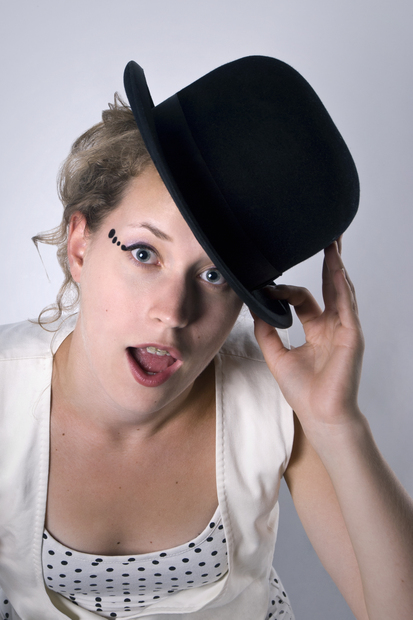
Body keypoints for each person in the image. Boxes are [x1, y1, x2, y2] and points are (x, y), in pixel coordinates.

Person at [0, 56, 412, 620]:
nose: (173, 312)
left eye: (215, 275)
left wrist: (337, 423)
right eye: (144, 253)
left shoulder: (276, 402)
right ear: (80, 246)